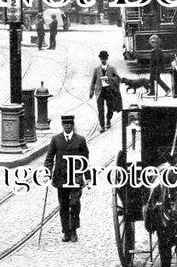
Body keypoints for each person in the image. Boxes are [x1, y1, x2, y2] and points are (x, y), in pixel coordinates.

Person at [44, 114, 89, 242]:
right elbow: (49, 157)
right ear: (62, 125)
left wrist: (88, 177)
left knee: (74, 204)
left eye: (69, 124)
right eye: (65, 124)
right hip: (61, 178)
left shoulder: (80, 140)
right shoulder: (56, 139)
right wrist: (47, 171)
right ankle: (66, 232)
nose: (67, 126)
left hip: (75, 178)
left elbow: (85, 159)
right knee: (63, 205)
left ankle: (74, 230)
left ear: (73, 125)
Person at [90, 51, 123, 133]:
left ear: (107, 59)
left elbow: (118, 79)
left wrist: (108, 78)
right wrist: (91, 91)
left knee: (110, 107)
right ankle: (102, 125)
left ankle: (108, 119)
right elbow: (93, 81)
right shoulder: (96, 69)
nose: (103, 60)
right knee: (100, 109)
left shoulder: (112, 68)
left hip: (109, 90)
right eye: (101, 59)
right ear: (100, 59)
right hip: (99, 91)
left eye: (104, 59)